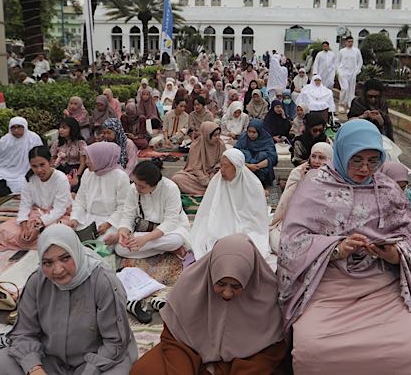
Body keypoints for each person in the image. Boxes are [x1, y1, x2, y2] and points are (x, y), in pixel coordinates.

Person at [277, 119, 411, 374]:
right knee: (313, 349)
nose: (365, 168)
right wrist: (337, 248)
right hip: (326, 284)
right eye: (356, 159)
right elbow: (291, 243)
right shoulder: (314, 185)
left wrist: (395, 254)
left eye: (373, 160)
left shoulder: (389, 190)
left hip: (380, 285)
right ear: (341, 152)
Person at [0, 225, 138, 374]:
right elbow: (24, 332)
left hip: (99, 361)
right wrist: (34, 368)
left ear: (76, 252)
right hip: (51, 359)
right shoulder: (37, 281)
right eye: (48, 262)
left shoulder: (103, 281)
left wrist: (89, 371)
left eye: (65, 258)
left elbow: (115, 341)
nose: (57, 270)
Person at [131, 234, 288, 375]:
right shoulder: (190, 284)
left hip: (244, 362)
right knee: (144, 371)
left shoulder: (266, 293)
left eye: (236, 286)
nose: (227, 293)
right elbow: (173, 337)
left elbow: (270, 349)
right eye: (221, 284)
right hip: (190, 353)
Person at [188, 148, 270, 259]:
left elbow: (256, 219)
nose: (221, 170)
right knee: (210, 238)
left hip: (247, 225)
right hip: (221, 222)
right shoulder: (217, 181)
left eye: (226, 166)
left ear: (236, 167)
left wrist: (240, 225)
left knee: (250, 242)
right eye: (221, 165)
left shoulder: (254, 185)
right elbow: (210, 210)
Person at [0, 146, 72, 251]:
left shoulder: (61, 179)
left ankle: (41, 243)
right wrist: (25, 228)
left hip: (60, 216)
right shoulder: (29, 179)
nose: (39, 170)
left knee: (55, 234)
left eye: (42, 165)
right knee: (1, 231)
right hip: (36, 215)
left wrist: (38, 228)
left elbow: (59, 210)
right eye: (34, 166)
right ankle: (37, 243)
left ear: (51, 161)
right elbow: (25, 205)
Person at [108, 161, 191, 260]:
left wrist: (145, 239)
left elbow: (170, 222)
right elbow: (128, 216)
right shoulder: (133, 189)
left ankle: (167, 247)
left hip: (169, 231)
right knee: (120, 249)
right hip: (144, 230)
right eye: (135, 183)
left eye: (142, 187)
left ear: (155, 184)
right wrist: (123, 231)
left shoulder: (170, 189)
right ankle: (167, 249)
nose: (137, 188)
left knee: (176, 240)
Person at [269, 142, 331, 254]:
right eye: (313, 156)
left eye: (321, 158)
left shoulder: (335, 176)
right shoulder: (298, 172)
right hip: (298, 218)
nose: (316, 161)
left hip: (324, 221)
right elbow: (289, 203)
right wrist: (304, 181)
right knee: (278, 241)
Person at [69, 142, 131, 240]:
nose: (86, 162)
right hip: (87, 218)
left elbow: (123, 206)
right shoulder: (88, 173)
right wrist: (75, 218)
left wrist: (108, 224)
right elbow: (80, 200)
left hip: (110, 221)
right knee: (70, 238)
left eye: (90, 158)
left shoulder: (120, 177)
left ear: (101, 158)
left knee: (102, 242)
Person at [0, 116, 44, 194]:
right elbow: (0, 160)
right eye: (13, 127)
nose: (16, 130)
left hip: (25, 171)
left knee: (25, 184)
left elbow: (39, 155)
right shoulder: (4, 141)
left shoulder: (33, 139)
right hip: (3, 171)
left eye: (19, 127)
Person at [381, 162, 411, 249]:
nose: (398, 191)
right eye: (394, 186)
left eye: (403, 187)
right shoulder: (375, 197)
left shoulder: (407, 195)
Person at [171, 121, 226, 196]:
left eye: (219, 134)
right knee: (177, 178)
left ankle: (211, 188)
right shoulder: (196, 145)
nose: (218, 137)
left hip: (214, 174)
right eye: (215, 135)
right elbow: (194, 167)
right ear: (207, 135)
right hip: (197, 176)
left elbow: (222, 162)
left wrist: (214, 172)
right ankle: (211, 188)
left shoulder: (221, 144)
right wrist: (205, 179)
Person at [234, 118, 278, 187]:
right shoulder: (244, 138)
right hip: (245, 167)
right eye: (249, 131)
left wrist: (256, 166)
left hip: (260, 168)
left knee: (262, 155)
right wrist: (249, 166)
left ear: (259, 131)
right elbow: (234, 154)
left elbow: (273, 157)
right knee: (244, 153)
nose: (251, 134)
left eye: (254, 132)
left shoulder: (267, 139)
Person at [50, 117, 87, 190]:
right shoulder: (57, 142)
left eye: (64, 128)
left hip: (75, 169)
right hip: (60, 168)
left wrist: (77, 175)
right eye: (60, 127)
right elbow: (52, 158)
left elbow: (83, 163)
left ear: (72, 129)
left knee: (75, 186)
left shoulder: (80, 143)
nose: (60, 130)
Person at [335, 36, 363, 110]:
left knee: (351, 90)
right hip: (343, 73)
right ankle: (341, 103)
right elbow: (337, 62)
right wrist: (339, 71)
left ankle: (350, 105)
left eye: (352, 41)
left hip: (352, 73)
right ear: (346, 42)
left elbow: (360, 62)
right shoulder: (342, 51)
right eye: (349, 42)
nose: (350, 43)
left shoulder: (356, 51)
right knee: (345, 88)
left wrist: (356, 71)